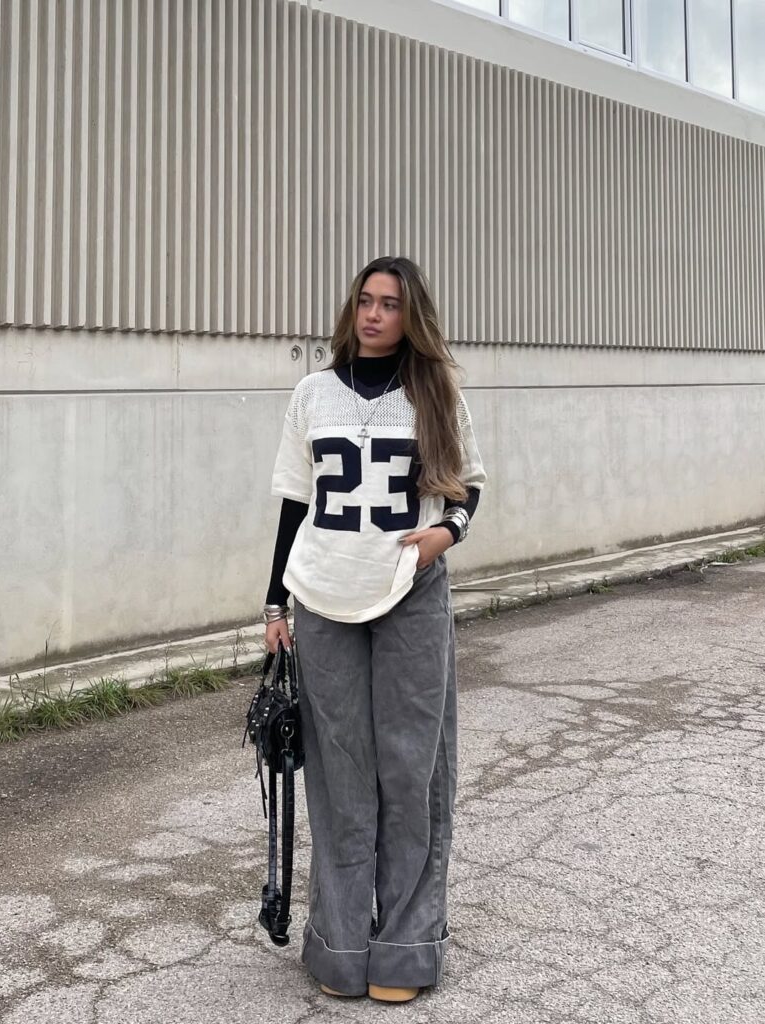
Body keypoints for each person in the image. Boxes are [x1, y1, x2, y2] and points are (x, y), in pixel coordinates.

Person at [263, 256, 486, 1002]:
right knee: (339, 775)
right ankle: (339, 945)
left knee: (413, 769)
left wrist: (444, 534)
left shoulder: (434, 391)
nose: (372, 314)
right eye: (364, 300)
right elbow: (295, 502)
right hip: (323, 595)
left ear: (409, 314)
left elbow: (469, 484)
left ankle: (406, 945)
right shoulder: (312, 393)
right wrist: (273, 605)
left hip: (409, 591)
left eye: (389, 304)